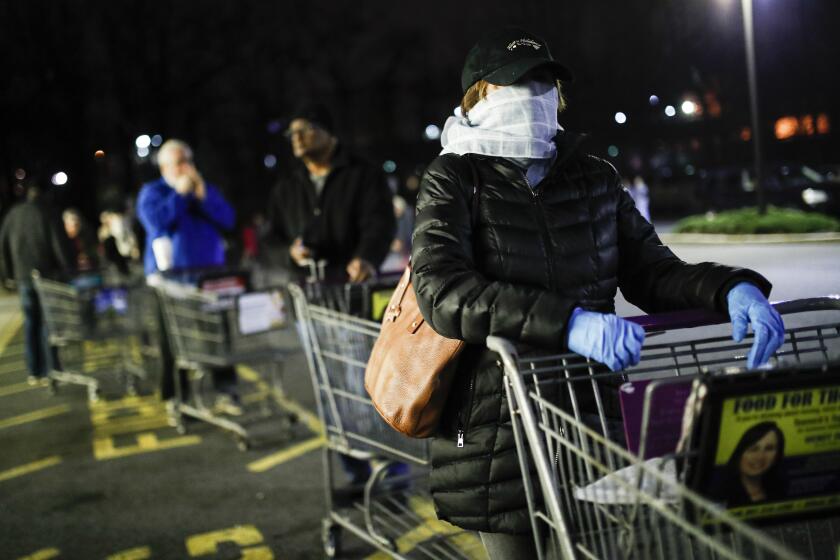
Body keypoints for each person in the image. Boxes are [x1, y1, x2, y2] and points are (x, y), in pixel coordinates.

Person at [409, 27, 786, 559]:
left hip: (588, 415)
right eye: (519, 82)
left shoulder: (594, 178)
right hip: (496, 428)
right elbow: (443, 291)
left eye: (545, 82)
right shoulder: (454, 177)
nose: (537, 94)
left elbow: (652, 272)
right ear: (479, 95)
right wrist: (570, 323)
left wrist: (729, 287)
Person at [136, 139, 240, 415]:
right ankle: (176, 396)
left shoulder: (202, 190)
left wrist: (203, 195)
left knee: (217, 333)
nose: (188, 168)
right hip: (169, 279)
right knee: (171, 340)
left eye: (190, 161)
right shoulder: (152, 192)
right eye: (181, 162)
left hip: (208, 276)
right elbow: (156, 222)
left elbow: (228, 219)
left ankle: (226, 389)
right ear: (165, 167)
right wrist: (180, 195)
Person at [267, 103, 395, 283]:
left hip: (352, 287)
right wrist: (289, 253)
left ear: (329, 132)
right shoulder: (286, 188)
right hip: (304, 294)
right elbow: (271, 240)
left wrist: (366, 257)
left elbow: (379, 224)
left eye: (305, 129)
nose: (296, 137)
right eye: (291, 133)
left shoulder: (364, 175)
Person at [0, 186, 73, 384]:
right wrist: (68, 270)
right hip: (46, 275)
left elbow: (3, 244)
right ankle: (52, 368)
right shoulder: (47, 212)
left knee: (31, 323)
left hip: (23, 276)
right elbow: (58, 243)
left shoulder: (13, 215)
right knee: (48, 322)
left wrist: (8, 275)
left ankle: (34, 370)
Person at [716, 422, 786, 508]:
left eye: (769, 449)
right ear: (739, 453)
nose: (760, 457)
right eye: (753, 449)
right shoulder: (718, 493)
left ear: (778, 454)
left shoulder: (782, 490)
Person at [62, 208, 99, 273]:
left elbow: (95, 251)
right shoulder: (62, 240)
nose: (74, 228)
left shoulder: (86, 236)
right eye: (70, 225)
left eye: (77, 224)